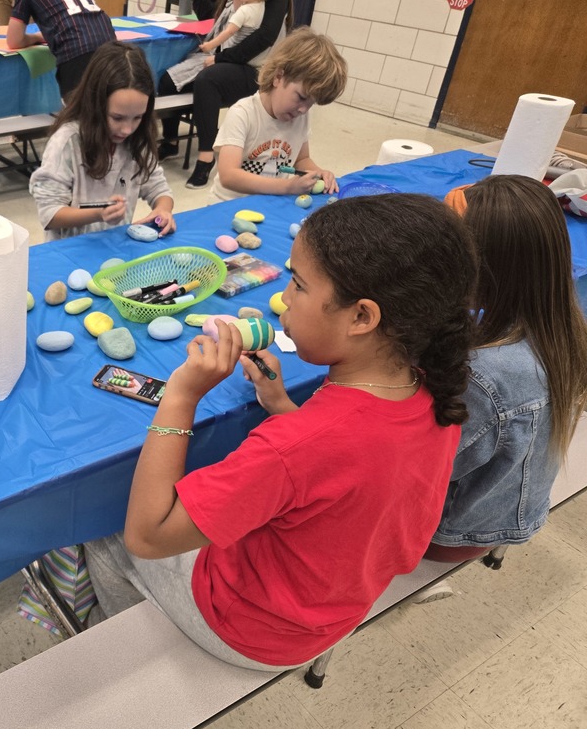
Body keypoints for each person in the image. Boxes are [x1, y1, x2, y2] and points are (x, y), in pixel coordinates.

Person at [84, 193, 476, 671]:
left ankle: (123, 658)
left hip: (253, 629)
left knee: (99, 529)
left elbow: (148, 536)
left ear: (361, 317)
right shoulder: (433, 384)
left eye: (298, 284)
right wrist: (282, 406)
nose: (285, 298)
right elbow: (346, 471)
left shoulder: (293, 448)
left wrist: (181, 397)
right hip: (338, 605)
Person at [427, 175, 587, 563]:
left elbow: (415, 471)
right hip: (504, 510)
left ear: (485, 267)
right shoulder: (560, 325)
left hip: (451, 533)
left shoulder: (484, 378)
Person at [158, 0, 293, 189]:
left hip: (256, 68)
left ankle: (206, 156)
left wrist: (221, 58)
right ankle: (171, 143)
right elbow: (216, 22)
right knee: (168, 80)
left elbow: (265, 36)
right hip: (227, 57)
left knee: (208, 80)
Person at [29, 41, 175, 240]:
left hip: (115, 249)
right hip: (71, 252)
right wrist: (97, 214)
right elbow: (50, 213)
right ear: (95, 103)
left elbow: (159, 188)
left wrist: (163, 209)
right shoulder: (67, 142)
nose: (127, 129)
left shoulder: (137, 140)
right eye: (117, 118)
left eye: (138, 117)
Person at [211, 27, 346, 203]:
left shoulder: (301, 117)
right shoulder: (243, 114)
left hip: (270, 205)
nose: (303, 110)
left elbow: (302, 159)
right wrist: (286, 188)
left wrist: (317, 172)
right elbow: (228, 176)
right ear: (278, 76)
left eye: (310, 104)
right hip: (227, 208)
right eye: (301, 97)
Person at [163, 0, 277, 97]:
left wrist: (215, 55)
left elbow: (235, 33)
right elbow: (215, 21)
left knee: (167, 82)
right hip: (222, 55)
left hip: (233, 62)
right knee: (168, 75)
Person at [6, 0, 116, 99]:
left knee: (79, 113)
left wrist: (35, 37)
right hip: (111, 46)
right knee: (108, 105)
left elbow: (14, 40)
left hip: (76, 51)